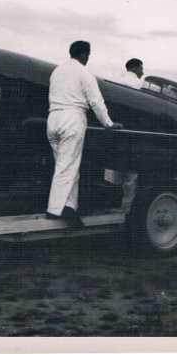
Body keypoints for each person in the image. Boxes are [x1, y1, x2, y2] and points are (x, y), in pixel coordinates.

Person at [46, 41, 121, 225]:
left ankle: (69, 207)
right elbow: (96, 101)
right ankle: (55, 210)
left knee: (65, 166)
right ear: (84, 54)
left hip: (53, 118)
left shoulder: (57, 71)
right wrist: (108, 123)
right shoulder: (83, 72)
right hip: (71, 119)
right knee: (68, 168)